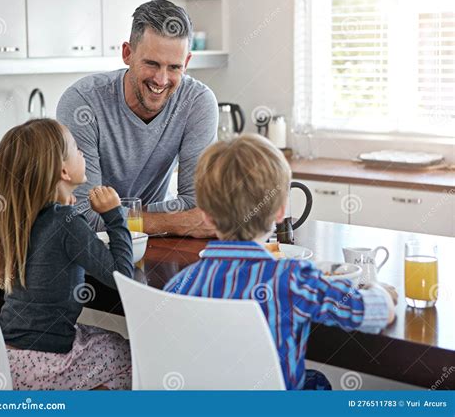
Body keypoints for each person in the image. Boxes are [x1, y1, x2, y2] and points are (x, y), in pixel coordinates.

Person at [164, 134, 397, 390]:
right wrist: (380, 291)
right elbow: (377, 313)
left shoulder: (180, 284)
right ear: (281, 211)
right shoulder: (293, 279)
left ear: (206, 216)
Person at [0, 119, 134, 390]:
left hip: (8, 359)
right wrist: (115, 215)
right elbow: (123, 277)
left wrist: (64, 207)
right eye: (76, 148)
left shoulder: (19, 218)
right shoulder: (65, 222)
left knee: (106, 339)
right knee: (127, 356)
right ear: (63, 172)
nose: (82, 153)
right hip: (46, 363)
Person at [57, 0, 218, 237]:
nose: (161, 80)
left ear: (186, 63)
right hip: (90, 251)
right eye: (152, 64)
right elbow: (84, 217)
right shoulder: (83, 102)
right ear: (127, 53)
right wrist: (175, 221)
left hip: (156, 248)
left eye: (174, 67)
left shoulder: (197, 103)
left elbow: (197, 207)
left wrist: (116, 215)